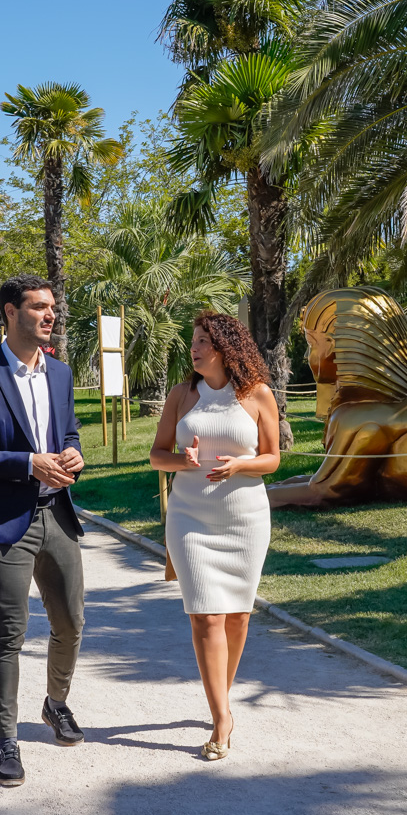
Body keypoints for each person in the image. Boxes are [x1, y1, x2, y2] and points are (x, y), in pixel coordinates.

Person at [0, 274, 86, 788]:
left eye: (52, 307)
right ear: (10, 312)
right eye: (38, 307)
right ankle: (5, 739)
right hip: (7, 521)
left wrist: (73, 454)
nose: (50, 315)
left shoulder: (61, 373)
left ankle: (55, 704)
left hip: (58, 514)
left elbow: (68, 433)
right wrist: (28, 463)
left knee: (71, 622)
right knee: (9, 632)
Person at [149, 311, 280, 761]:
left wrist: (240, 464)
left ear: (226, 346)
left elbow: (272, 459)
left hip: (245, 519)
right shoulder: (182, 395)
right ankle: (222, 717)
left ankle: (219, 698)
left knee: (238, 617)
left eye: (203, 340)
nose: (195, 347)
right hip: (189, 517)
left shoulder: (257, 395)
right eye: (194, 340)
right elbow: (155, 455)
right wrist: (181, 461)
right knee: (205, 616)